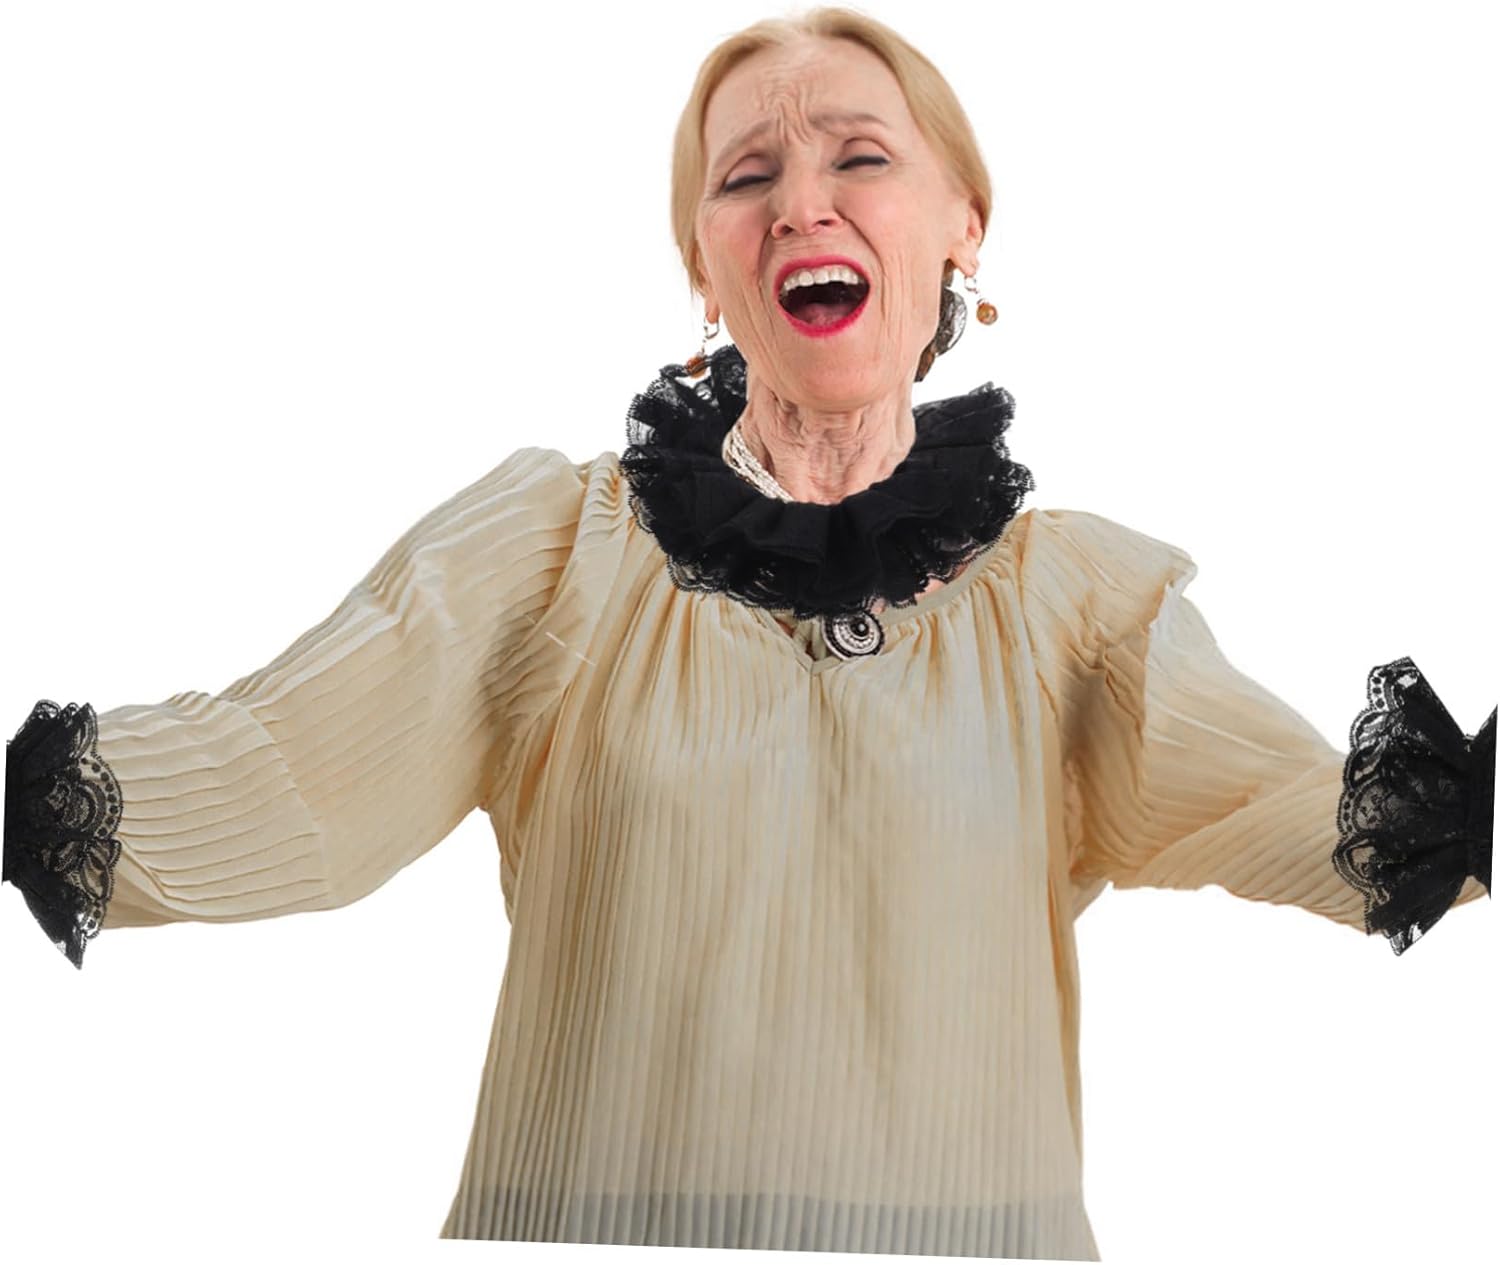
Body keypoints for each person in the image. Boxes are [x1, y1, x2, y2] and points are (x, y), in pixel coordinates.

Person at [4, 6, 1493, 1259]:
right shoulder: (554, 554)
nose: (800, 205)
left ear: (965, 227)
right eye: (746, 178)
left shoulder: (1078, 605)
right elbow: (286, 767)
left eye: (861, 157)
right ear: (706, 270)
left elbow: (1296, 807)